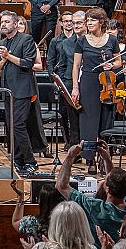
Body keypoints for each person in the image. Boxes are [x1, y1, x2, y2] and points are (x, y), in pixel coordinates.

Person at [57, 141, 126, 246]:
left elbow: (62, 186)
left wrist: (70, 156)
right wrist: (107, 159)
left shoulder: (95, 207)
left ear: (108, 189)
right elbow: (118, 185)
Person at [71, 7, 121, 171]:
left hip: (106, 83)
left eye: (92, 20)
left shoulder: (112, 40)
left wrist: (111, 65)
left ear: (101, 22)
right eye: (88, 20)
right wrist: (75, 88)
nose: (89, 23)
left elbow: (119, 63)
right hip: (88, 83)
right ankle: (90, 160)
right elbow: (76, 66)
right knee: (88, 122)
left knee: (105, 121)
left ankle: (104, 157)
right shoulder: (82, 41)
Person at [0, 11, 38, 174]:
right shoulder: (1, 43)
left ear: (15, 24)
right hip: (7, 90)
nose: (3, 24)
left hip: (23, 89)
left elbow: (27, 63)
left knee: (18, 124)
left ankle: (30, 160)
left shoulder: (26, 39)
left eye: (6, 21)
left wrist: (8, 56)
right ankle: (18, 161)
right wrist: (4, 59)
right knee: (13, 126)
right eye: (2, 21)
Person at [52, 11, 84, 149]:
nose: (74, 25)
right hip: (70, 84)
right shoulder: (66, 43)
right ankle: (74, 149)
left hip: (88, 84)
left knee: (86, 118)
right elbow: (62, 64)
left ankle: (89, 153)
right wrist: (63, 84)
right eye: (73, 22)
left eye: (78, 22)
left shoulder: (90, 40)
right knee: (73, 119)